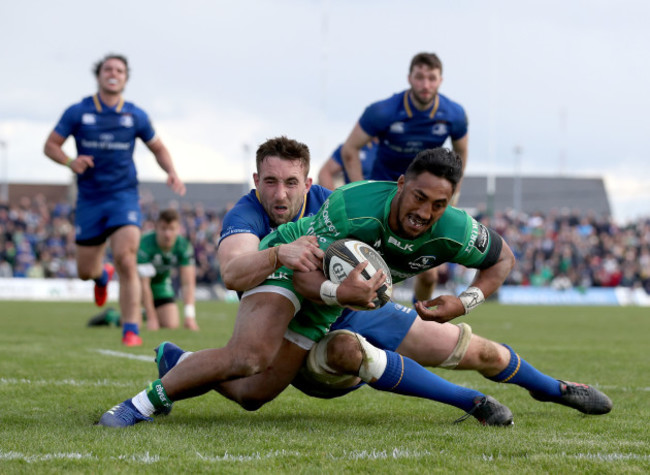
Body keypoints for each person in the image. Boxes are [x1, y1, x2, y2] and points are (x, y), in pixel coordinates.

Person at [98, 144, 612, 427]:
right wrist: (335, 293)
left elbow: (503, 260)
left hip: (362, 299)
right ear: (400, 185)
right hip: (304, 292)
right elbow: (274, 267)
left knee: (468, 348)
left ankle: (556, 390)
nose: (424, 214)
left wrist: (466, 298)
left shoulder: (455, 227)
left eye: (439, 205)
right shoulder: (347, 209)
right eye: (418, 199)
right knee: (253, 382)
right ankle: (163, 383)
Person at [44, 53, 186, 346]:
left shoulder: (135, 115)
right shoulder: (78, 111)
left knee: (126, 258)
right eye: (108, 69)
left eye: (119, 70)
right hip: (90, 200)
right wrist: (71, 161)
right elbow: (50, 145)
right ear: (99, 75)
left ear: (125, 78)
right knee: (85, 271)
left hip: (124, 197)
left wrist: (171, 171)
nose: (113, 73)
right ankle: (101, 276)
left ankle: (131, 329)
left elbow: (158, 148)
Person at [341, 52, 468, 303]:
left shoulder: (453, 114)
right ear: (409, 78)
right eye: (420, 77)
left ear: (440, 80)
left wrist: (451, 198)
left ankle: (420, 322)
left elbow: (461, 153)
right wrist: (362, 189)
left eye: (431, 78)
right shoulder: (383, 111)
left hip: (423, 200)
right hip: (384, 198)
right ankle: (365, 327)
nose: (425, 85)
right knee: (374, 273)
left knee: (430, 276)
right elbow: (349, 150)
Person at [87, 209, 199, 331]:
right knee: (135, 323)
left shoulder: (184, 246)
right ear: (156, 228)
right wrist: (152, 318)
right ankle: (111, 316)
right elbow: (144, 283)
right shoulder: (144, 244)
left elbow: (188, 283)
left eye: (172, 229)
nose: (168, 234)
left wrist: (190, 316)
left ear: (178, 229)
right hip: (138, 285)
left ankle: (143, 313)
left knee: (171, 324)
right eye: (164, 229)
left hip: (161, 285)